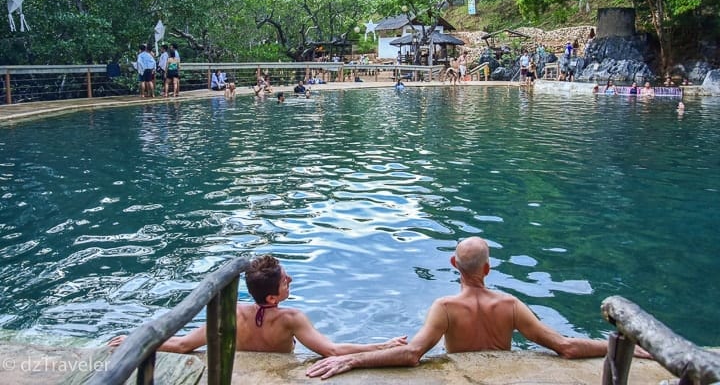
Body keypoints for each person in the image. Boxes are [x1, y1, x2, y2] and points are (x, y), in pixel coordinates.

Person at [306, 237, 650, 380]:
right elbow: (567, 347)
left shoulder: (445, 307)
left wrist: (352, 359)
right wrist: (627, 348)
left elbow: (412, 354)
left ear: (454, 264)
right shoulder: (511, 305)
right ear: (488, 269)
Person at [109, 255, 406, 355]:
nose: (290, 278)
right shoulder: (291, 318)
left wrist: (138, 340)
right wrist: (383, 345)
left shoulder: (233, 314)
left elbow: (185, 344)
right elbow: (331, 350)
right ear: (272, 298)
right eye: (284, 280)